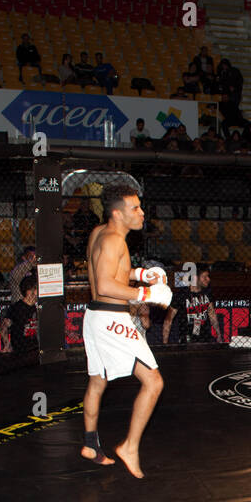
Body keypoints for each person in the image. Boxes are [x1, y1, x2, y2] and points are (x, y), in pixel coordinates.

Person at [80, 182, 170, 475]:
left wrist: (142, 275)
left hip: (94, 317)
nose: (142, 213)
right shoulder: (114, 241)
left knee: (97, 382)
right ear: (118, 213)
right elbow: (107, 285)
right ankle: (129, 446)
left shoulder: (100, 234)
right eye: (135, 208)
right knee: (153, 382)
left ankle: (90, 444)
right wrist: (146, 295)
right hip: (111, 319)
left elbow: (109, 270)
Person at [2, 274, 40, 354]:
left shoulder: (38, 307)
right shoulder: (16, 308)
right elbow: (4, 327)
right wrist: (7, 344)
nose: (36, 292)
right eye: (35, 289)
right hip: (20, 349)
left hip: (35, 348)